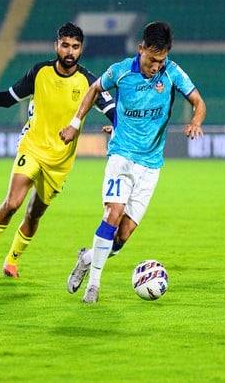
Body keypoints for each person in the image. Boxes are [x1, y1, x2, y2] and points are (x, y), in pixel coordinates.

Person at [60, 21, 207, 303]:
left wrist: (195, 121)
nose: (155, 66)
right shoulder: (121, 71)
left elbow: (198, 102)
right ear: (141, 49)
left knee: (121, 237)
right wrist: (75, 123)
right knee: (112, 214)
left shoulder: (173, 72)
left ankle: (86, 258)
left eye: (160, 60)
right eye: (152, 59)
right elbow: (93, 90)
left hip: (151, 166)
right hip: (122, 156)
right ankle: (93, 285)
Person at [0, 22, 115, 278]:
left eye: (75, 47)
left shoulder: (89, 82)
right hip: (31, 148)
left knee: (33, 214)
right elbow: (10, 98)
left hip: (60, 163)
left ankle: (11, 261)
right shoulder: (39, 72)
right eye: (65, 45)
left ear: (81, 49)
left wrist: (118, 129)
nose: (70, 51)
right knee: (13, 203)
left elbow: (113, 111)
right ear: (56, 45)